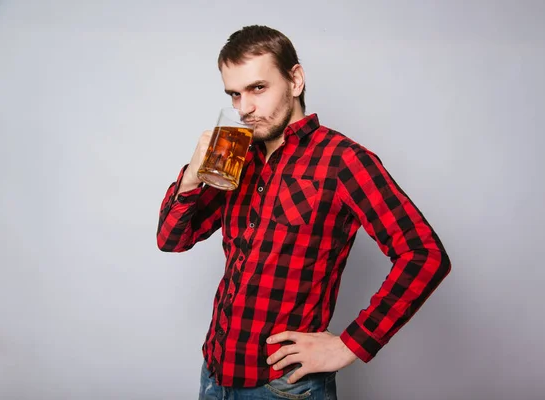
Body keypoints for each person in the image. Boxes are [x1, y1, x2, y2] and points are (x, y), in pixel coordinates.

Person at [157, 25, 451, 400]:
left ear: (295, 80)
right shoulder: (236, 157)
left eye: (257, 89)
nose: (243, 108)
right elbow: (171, 240)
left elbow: (424, 254)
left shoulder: (343, 160)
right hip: (214, 377)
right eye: (234, 94)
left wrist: (349, 345)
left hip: (284, 389)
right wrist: (190, 179)